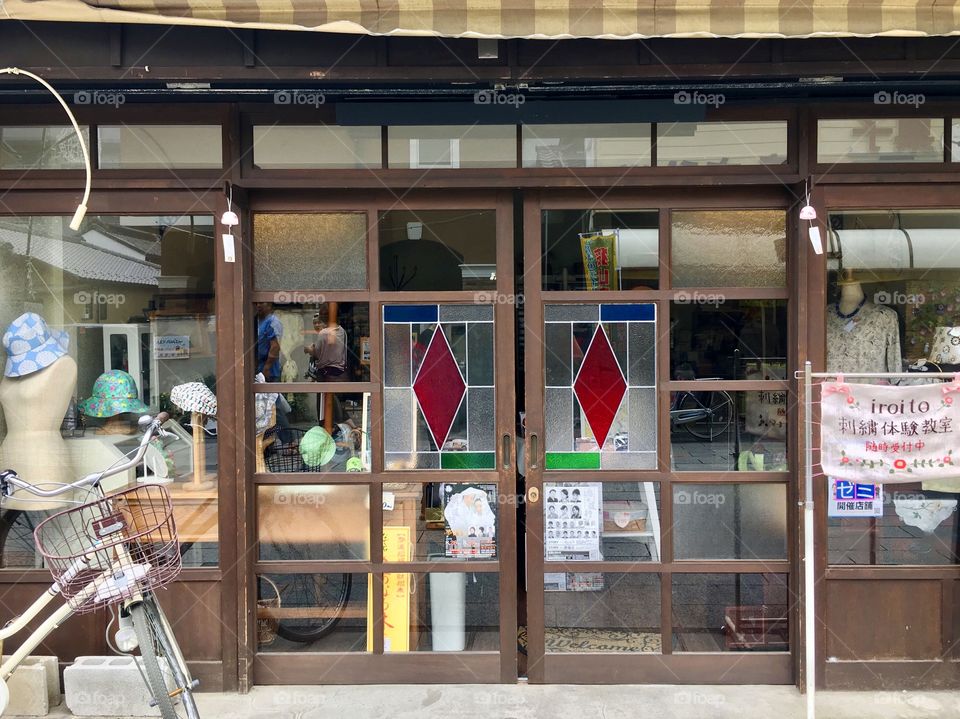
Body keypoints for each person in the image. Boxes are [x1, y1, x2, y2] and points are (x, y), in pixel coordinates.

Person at [256, 302, 283, 382]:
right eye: (257, 303)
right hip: (257, 368)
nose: (258, 305)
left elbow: (275, 347)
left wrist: (267, 367)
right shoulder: (257, 320)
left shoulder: (273, 322)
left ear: (269, 305)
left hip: (269, 371)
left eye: (261, 303)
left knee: (270, 394)